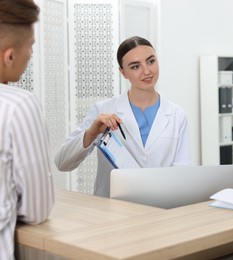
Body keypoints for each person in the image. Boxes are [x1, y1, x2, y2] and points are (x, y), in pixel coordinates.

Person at [55, 36, 190, 197]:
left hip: (159, 208)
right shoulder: (103, 110)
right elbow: (62, 163)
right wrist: (91, 133)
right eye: (135, 67)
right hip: (112, 209)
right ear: (123, 72)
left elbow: (182, 173)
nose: (146, 71)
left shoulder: (177, 115)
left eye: (151, 61)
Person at [0, 0, 55, 259]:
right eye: (31, 46)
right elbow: (37, 209)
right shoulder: (17, 105)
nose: (31, 54)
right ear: (9, 56)